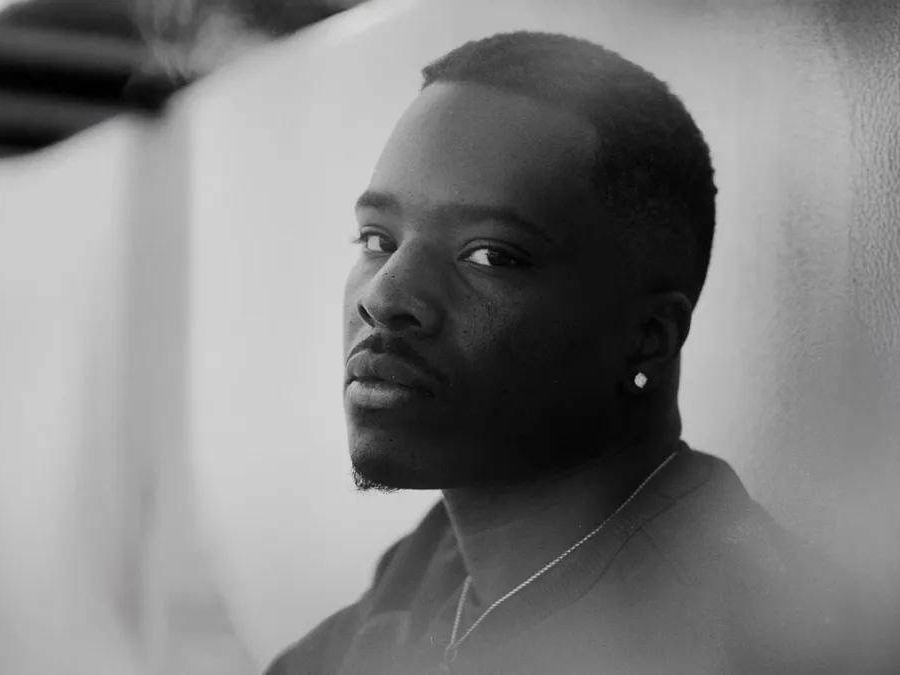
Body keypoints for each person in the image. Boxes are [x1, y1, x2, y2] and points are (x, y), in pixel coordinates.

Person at [265, 30, 860, 675]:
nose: (384, 298)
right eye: (377, 240)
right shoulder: (437, 564)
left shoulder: (753, 637)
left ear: (648, 339)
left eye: (491, 255)